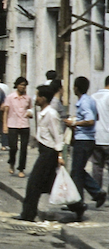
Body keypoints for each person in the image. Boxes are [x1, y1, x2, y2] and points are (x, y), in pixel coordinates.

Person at [16, 84, 87, 223]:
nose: (35, 98)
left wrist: (60, 155)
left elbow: (58, 135)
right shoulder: (42, 112)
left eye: (37, 96)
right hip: (44, 150)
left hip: (49, 153)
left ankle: (28, 214)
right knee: (51, 184)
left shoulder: (51, 114)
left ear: (43, 98)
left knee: (33, 183)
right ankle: (78, 206)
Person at [64, 76, 106, 209]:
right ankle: (96, 193)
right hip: (88, 139)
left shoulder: (84, 102)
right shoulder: (90, 100)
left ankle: (78, 203)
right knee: (78, 170)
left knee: (76, 172)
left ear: (75, 88)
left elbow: (91, 120)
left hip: (83, 140)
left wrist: (75, 122)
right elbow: (96, 116)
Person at [3, 77, 32, 178]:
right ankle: (12, 163)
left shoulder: (28, 98)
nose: (22, 87)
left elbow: (30, 110)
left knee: (24, 148)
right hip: (12, 124)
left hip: (24, 124)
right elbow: (6, 111)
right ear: (17, 85)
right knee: (13, 147)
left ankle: (21, 168)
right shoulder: (10, 97)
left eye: (24, 85)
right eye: (21, 85)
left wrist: (30, 114)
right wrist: (5, 125)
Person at [90, 75, 109, 192]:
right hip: (108, 137)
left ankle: (97, 193)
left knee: (97, 166)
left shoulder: (93, 97)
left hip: (95, 136)